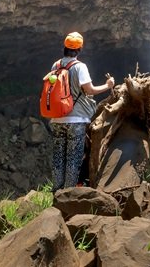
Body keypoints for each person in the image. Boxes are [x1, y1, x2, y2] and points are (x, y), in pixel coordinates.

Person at [48, 31, 114, 190]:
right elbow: (89, 90)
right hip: (76, 119)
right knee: (73, 158)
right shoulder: (80, 67)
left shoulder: (55, 66)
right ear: (79, 49)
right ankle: (68, 193)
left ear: (65, 47)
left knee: (58, 157)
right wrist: (108, 85)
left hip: (57, 118)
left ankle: (56, 191)